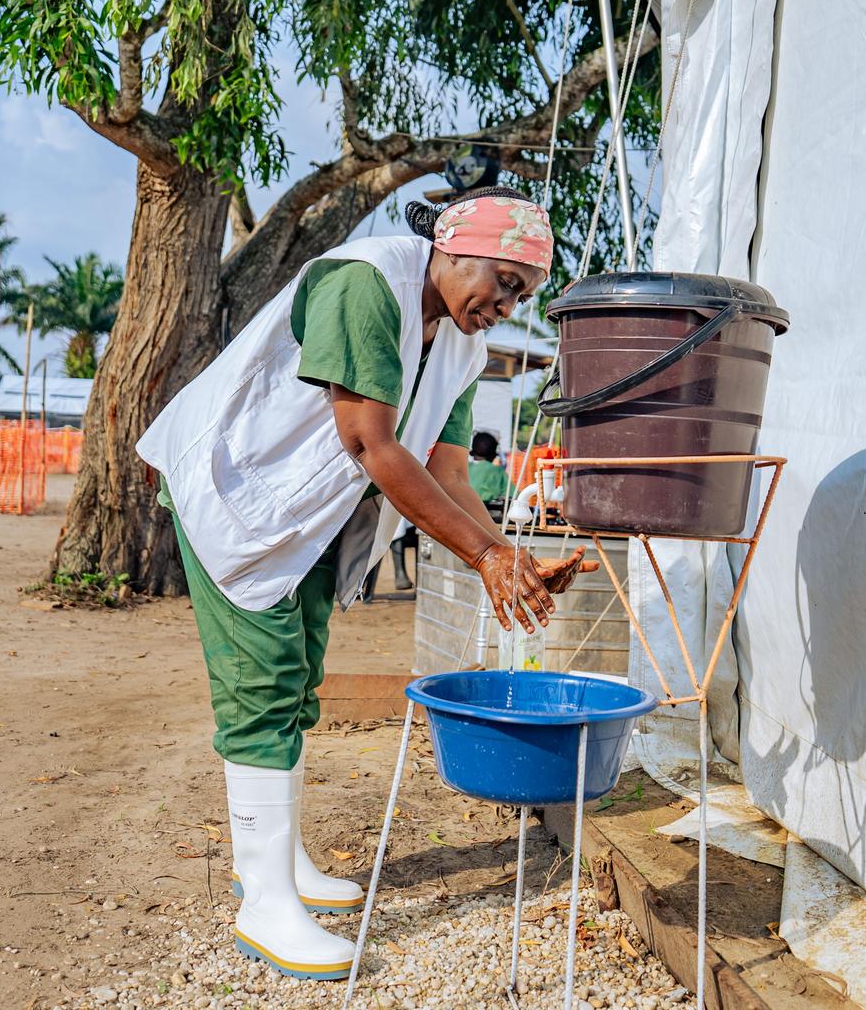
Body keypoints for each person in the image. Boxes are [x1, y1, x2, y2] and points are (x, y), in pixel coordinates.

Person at [137, 187, 593, 981]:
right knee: (266, 685)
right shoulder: (366, 282)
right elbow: (370, 443)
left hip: (307, 514)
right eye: (505, 282)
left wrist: (504, 554)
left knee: (299, 676)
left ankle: (272, 864)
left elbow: (448, 469)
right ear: (453, 248)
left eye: (522, 294)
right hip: (241, 489)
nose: (505, 305)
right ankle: (266, 904)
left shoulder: (461, 346)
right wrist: (485, 561)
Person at [467, 430, 511, 511]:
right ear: (493, 453)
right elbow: (514, 494)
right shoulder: (497, 472)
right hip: (486, 512)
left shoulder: (462, 467)